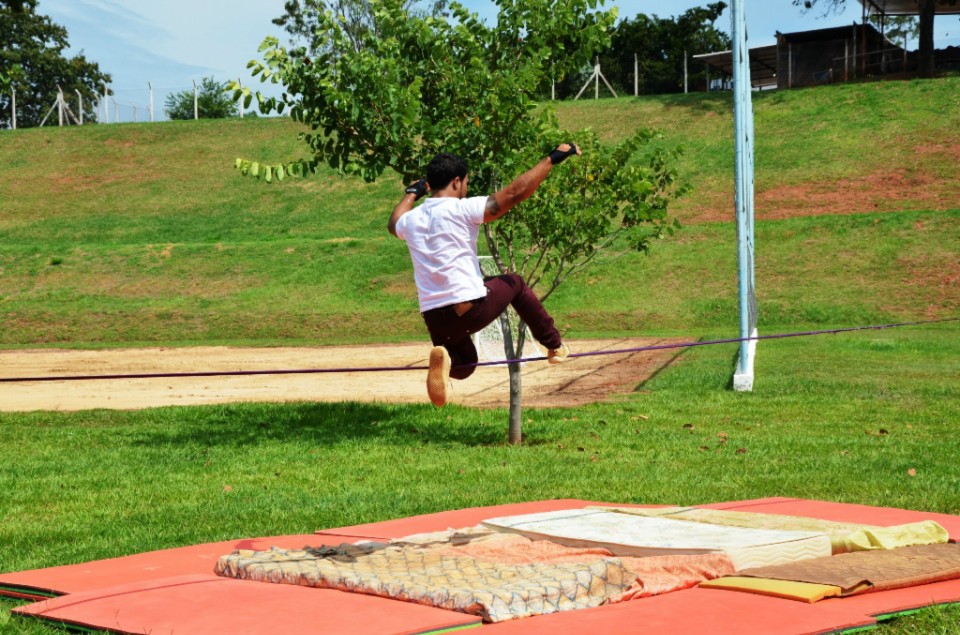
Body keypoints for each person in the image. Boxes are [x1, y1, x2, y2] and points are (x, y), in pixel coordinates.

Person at [388, 143, 580, 406]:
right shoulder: (463, 209)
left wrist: (413, 193)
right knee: (515, 283)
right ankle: (555, 345)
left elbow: (394, 222)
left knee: (465, 363)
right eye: (466, 182)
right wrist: (552, 159)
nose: (466, 187)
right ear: (456, 182)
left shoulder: (411, 220)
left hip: (435, 318)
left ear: (430, 185)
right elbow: (515, 193)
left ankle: (447, 360)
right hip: (468, 308)